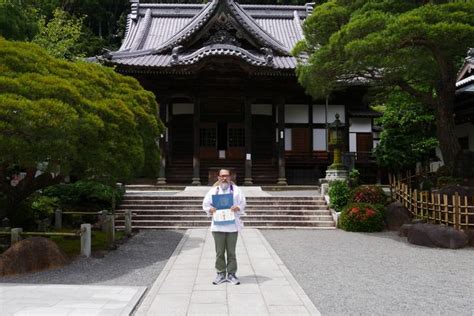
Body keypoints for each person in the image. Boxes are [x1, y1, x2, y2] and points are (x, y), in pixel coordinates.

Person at [202, 168, 246, 285]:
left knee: (231, 252)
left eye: (226, 176)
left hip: (232, 226)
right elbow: (205, 204)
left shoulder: (236, 191)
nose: (224, 178)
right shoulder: (213, 191)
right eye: (222, 176)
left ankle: (231, 273)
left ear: (230, 177)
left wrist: (237, 207)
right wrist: (210, 209)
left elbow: (243, 203)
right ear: (218, 177)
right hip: (218, 226)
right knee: (219, 252)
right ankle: (221, 273)